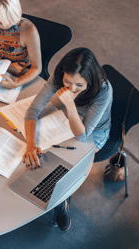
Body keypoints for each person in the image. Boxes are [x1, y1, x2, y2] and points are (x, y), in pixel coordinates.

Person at [23, 47, 113, 231]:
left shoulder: (104, 90)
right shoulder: (59, 77)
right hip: (65, 117)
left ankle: (60, 202)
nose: (71, 88)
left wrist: (70, 104)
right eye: (67, 82)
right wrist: (31, 144)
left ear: (90, 80)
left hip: (94, 132)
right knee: (44, 153)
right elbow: (32, 111)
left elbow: (83, 135)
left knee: (65, 162)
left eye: (79, 85)